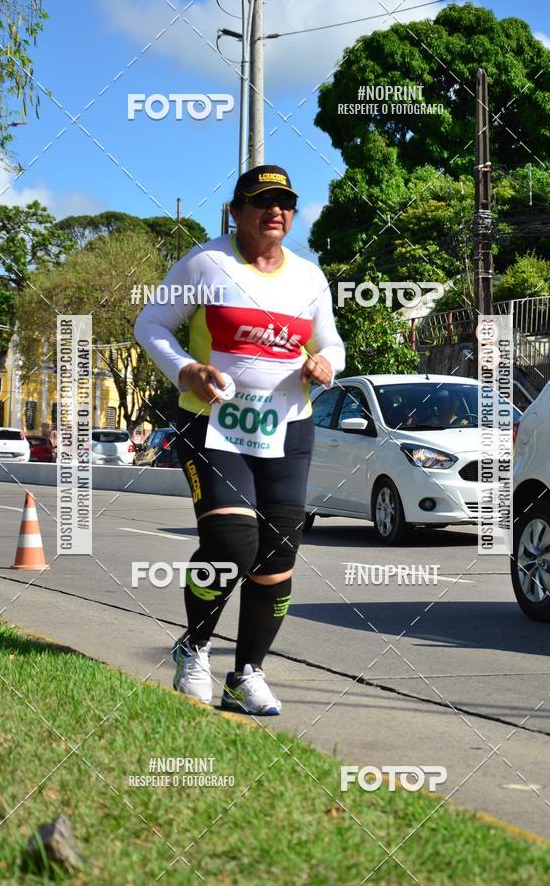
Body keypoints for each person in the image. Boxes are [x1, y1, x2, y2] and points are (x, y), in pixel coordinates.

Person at [134, 164, 345, 714]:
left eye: (285, 203)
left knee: (277, 555)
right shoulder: (207, 262)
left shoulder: (309, 279)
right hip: (214, 425)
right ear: (237, 211)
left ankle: (247, 673)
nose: (275, 211)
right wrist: (185, 370)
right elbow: (150, 324)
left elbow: (332, 344)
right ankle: (195, 648)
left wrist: (323, 364)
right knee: (232, 545)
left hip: (287, 429)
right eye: (262, 202)